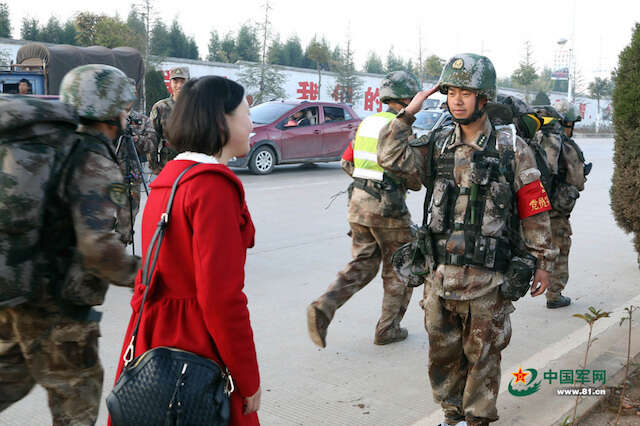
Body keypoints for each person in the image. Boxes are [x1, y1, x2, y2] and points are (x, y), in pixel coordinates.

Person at [377, 54, 557, 426]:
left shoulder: (511, 149)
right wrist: (408, 114)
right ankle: (451, 414)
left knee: (483, 360)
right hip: (439, 280)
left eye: (466, 92)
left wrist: (544, 262)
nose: (457, 100)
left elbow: (534, 208)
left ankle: (477, 420)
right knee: (441, 359)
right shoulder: (438, 144)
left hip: (487, 283)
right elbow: (390, 156)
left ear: (484, 97)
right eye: (451, 92)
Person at [113, 76, 261, 426]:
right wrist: (247, 377)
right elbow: (221, 298)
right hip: (198, 345)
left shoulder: (171, 177)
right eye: (246, 113)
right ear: (220, 120)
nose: (252, 124)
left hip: (154, 337)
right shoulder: (211, 188)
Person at [0, 64, 140, 425]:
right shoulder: (91, 158)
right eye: (123, 107)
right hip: (57, 311)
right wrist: (141, 273)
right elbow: (97, 249)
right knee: (77, 400)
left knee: (7, 382)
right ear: (110, 110)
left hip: (13, 290)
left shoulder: (45, 145)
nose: (126, 114)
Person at [306, 71, 421, 348]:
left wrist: (367, 181)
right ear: (407, 98)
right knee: (400, 266)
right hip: (387, 208)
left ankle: (324, 306)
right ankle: (388, 329)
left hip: (358, 205)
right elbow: (411, 175)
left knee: (364, 262)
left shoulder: (368, 122)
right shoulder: (398, 126)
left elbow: (347, 162)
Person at [536, 101, 589, 308]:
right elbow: (578, 182)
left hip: (531, 209)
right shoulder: (565, 145)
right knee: (560, 249)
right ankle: (554, 295)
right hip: (555, 212)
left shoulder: (532, 142)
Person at [114, 78, 157, 245]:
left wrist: (136, 137)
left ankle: (121, 248)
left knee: (128, 215)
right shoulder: (108, 119)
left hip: (132, 174)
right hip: (109, 172)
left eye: (131, 93)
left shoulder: (142, 120)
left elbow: (151, 145)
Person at [150, 66, 189, 172]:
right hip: (168, 165)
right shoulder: (160, 107)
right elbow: (153, 138)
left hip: (191, 164)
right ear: (170, 83)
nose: (179, 85)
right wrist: (154, 166)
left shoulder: (196, 107)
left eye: (183, 81)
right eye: (175, 81)